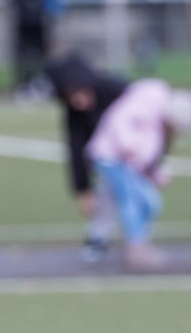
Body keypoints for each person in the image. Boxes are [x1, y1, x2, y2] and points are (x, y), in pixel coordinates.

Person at [87, 78, 191, 270]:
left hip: (126, 162)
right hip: (112, 157)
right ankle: (135, 248)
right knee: (132, 199)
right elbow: (119, 120)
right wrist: (127, 146)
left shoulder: (158, 124)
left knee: (150, 203)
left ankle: (139, 243)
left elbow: (147, 155)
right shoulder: (148, 102)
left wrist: (155, 173)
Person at [45, 53, 129, 262]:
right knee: (106, 190)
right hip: (110, 156)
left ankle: (137, 241)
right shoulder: (75, 114)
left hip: (134, 150)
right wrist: (82, 189)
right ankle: (98, 239)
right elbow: (76, 150)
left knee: (140, 198)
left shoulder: (116, 91)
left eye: (81, 92)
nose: (80, 100)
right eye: (72, 96)